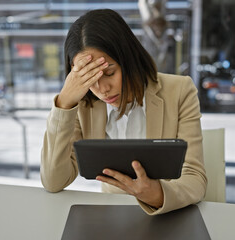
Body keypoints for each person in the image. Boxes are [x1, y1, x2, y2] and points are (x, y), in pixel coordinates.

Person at [40, 9, 207, 215]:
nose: (102, 89)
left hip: (170, 214)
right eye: (89, 79)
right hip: (113, 216)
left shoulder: (179, 91)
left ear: (129, 59)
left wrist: (156, 195)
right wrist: (64, 103)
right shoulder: (81, 103)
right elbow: (53, 181)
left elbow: (195, 177)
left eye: (109, 73)